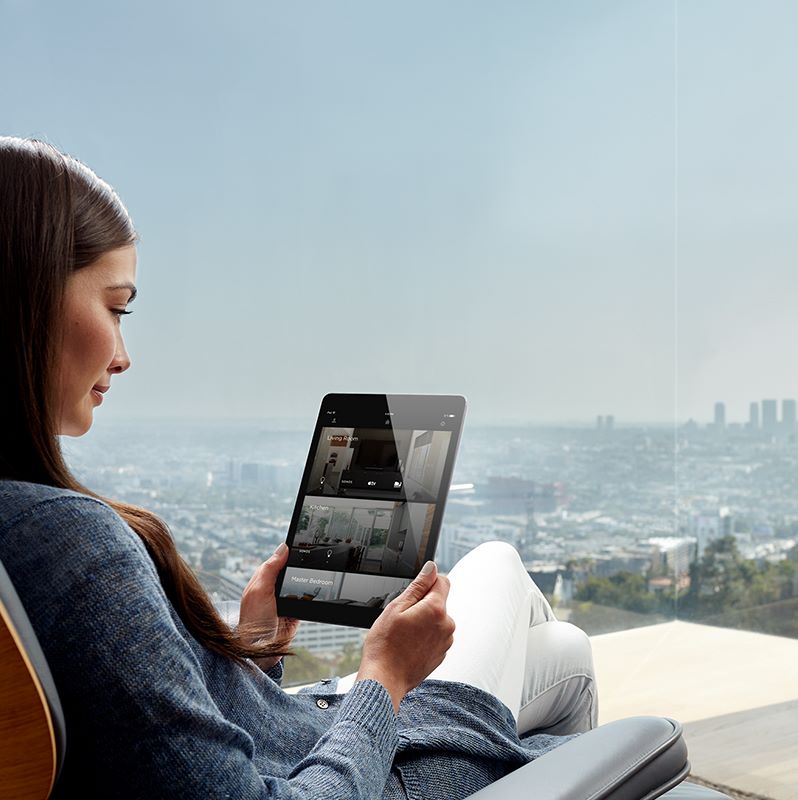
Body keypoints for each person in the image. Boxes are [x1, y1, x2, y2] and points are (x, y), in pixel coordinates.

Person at [0, 136, 597, 800]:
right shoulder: (71, 546)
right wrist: (385, 676)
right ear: (23, 301)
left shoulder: (22, 535)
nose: (122, 354)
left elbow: (154, 747)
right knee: (498, 568)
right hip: (359, 777)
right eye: (116, 307)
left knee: (563, 652)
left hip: (297, 743)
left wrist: (246, 649)